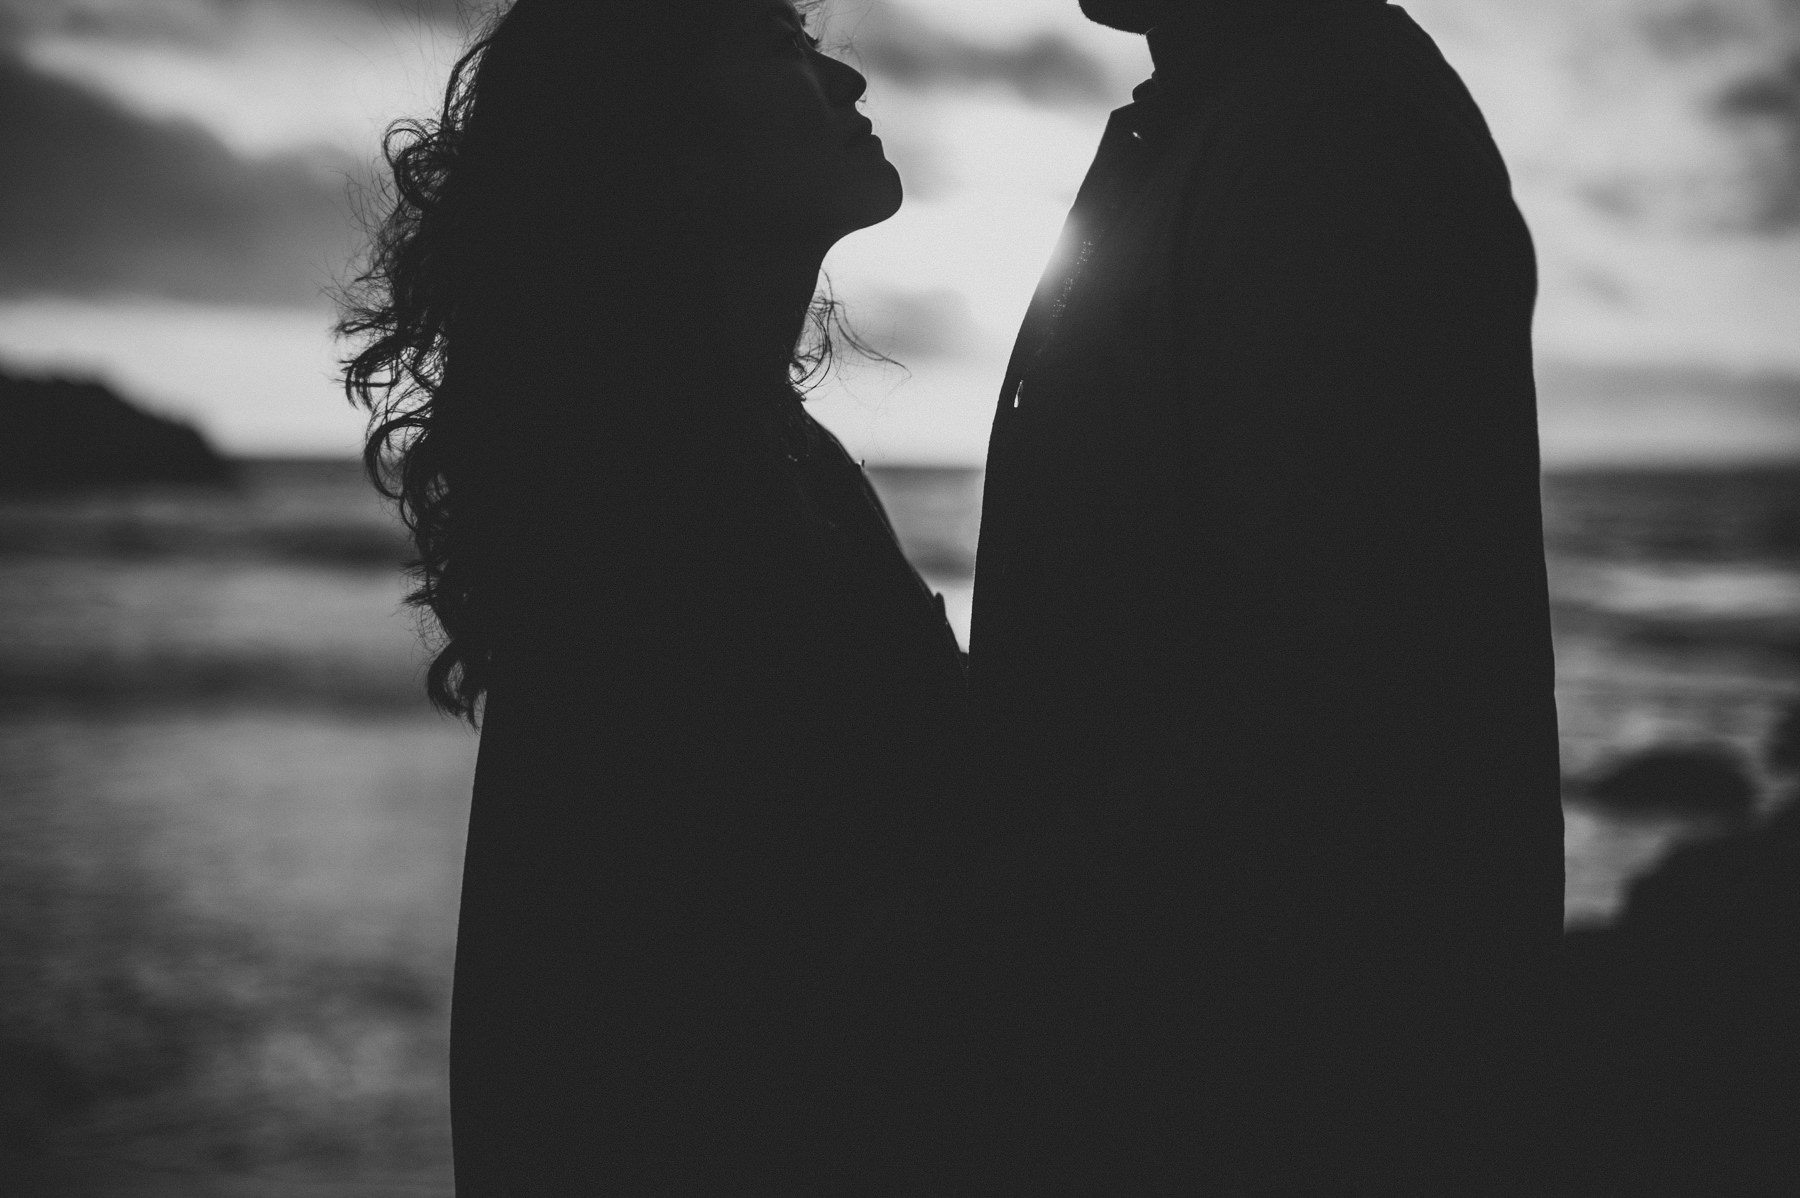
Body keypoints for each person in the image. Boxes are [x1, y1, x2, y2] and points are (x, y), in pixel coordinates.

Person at [338, 1, 979, 1192]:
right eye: (781, 48)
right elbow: (748, 974)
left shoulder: (756, 454)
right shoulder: (671, 502)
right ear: (670, 159)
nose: (843, 79)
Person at [967, 0, 1565, 1190]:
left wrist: (968, 923)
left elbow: (1350, 704)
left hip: (1264, 1091)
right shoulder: (1236, 110)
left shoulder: (1325, 127)